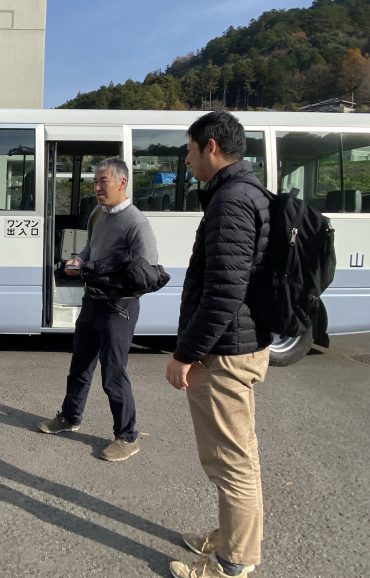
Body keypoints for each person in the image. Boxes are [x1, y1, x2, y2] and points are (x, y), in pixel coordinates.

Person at [165, 111, 272, 578]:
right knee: (234, 455)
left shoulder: (230, 201)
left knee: (233, 462)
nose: (186, 160)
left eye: (189, 150)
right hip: (234, 345)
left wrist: (185, 353)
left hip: (225, 353)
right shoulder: (241, 193)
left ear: (211, 147)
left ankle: (234, 562)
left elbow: (224, 294)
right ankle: (230, 538)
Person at [37, 157, 158, 462]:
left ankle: (127, 437)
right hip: (92, 301)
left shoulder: (137, 223)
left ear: (122, 183)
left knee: (113, 374)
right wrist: (79, 260)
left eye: (103, 181)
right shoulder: (99, 214)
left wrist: (101, 271)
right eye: (95, 182)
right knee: (80, 365)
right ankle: (70, 416)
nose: (97, 187)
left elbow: (147, 274)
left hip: (120, 307)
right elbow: (90, 247)